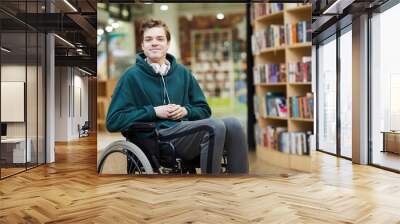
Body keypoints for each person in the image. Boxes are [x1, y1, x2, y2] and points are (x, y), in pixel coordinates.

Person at [106, 19, 248, 174]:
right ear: (142, 45)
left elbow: (204, 110)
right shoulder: (131, 76)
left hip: (185, 131)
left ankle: (239, 182)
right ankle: (210, 189)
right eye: (148, 39)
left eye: (160, 39)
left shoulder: (183, 73)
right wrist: (154, 111)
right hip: (157, 137)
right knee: (214, 126)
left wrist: (186, 111)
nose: (154, 43)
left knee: (234, 124)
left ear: (167, 44)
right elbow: (113, 121)